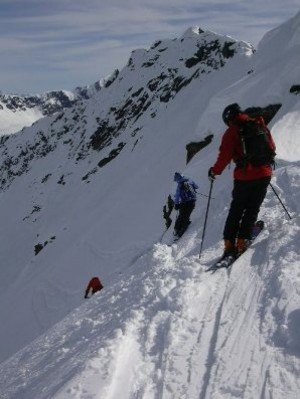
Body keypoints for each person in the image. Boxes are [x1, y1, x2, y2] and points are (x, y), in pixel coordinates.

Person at [208, 103, 276, 257]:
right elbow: (272, 146)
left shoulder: (232, 132)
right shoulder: (259, 123)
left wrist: (214, 172)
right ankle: (242, 241)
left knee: (237, 209)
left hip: (244, 177)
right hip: (264, 173)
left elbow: (224, 157)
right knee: (252, 208)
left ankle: (229, 243)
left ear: (229, 119)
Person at [173, 172, 199, 238]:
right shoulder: (190, 180)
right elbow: (197, 187)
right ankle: (183, 228)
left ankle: (177, 230)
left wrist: (176, 204)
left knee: (181, 216)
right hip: (192, 201)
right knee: (186, 216)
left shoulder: (180, 185)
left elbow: (177, 196)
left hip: (184, 203)